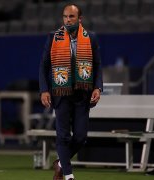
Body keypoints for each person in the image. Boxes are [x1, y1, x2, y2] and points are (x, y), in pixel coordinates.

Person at [39, 3, 103, 180]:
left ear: (79, 19)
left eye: (71, 17)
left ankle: (60, 163)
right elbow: (44, 66)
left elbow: (97, 65)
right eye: (65, 17)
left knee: (81, 137)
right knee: (63, 136)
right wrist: (44, 90)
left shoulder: (91, 38)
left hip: (83, 93)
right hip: (60, 93)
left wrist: (98, 87)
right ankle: (68, 175)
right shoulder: (53, 37)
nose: (68, 20)